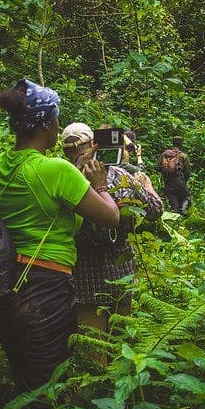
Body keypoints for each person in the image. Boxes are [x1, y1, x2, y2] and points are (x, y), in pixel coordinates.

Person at [0, 78, 118, 409]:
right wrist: (100, 184)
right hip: (46, 285)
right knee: (47, 382)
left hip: (6, 280)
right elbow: (111, 216)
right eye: (56, 119)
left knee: (24, 374)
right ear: (47, 124)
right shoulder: (56, 171)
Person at [60, 123, 162, 334]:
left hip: (83, 281)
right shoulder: (120, 176)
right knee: (120, 343)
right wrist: (148, 187)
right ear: (93, 144)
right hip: (120, 274)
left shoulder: (61, 178)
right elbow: (155, 209)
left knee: (93, 351)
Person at [157, 135, 191, 214]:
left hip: (168, 183)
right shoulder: (183, 156)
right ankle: (183, 208)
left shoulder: (165, 154)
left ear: (172, 143)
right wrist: (183, 181)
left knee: (174, 206)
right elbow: (187, 173)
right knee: (187, 196)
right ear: (181, 144)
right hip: (179, 181)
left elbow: (158, 167)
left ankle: (175, 219)